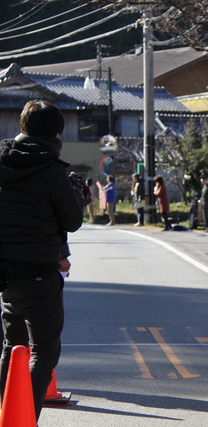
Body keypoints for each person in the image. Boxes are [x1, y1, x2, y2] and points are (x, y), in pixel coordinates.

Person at [0, 100, 84, 420]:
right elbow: (72, 221)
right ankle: (22, 417)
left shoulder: (2, 162)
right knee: (44, 351)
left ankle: (6, 412)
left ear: (22, 127)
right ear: (57, 133)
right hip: (39, 271)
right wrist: (74, 193)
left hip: (4, 272)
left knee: (12, 345)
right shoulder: (52, 171)